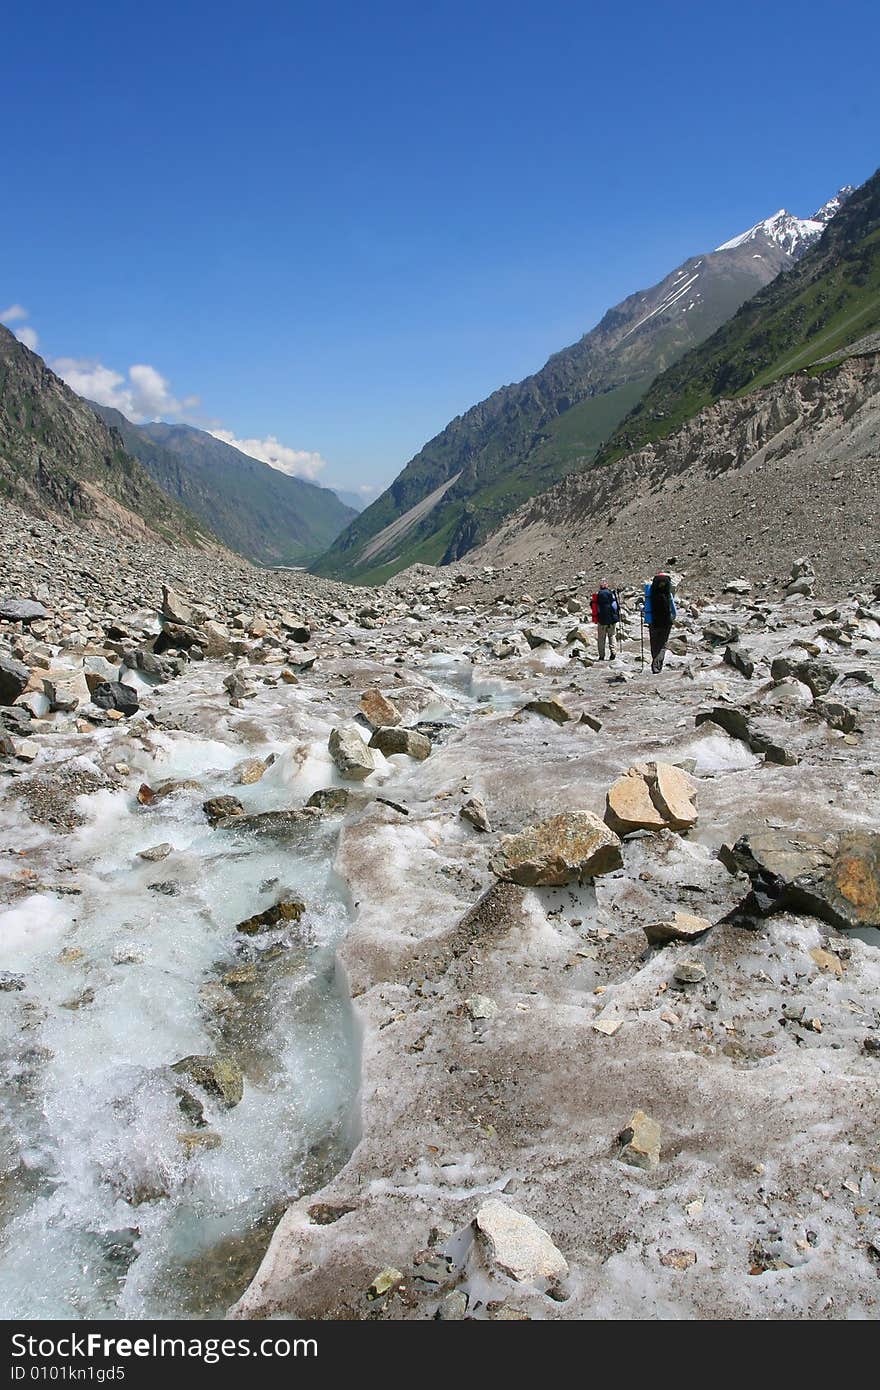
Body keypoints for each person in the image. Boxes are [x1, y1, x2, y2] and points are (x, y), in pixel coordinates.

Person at [643, 572, 676, 673]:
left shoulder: (651, 594)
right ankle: (658, 665)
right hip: (666, 622)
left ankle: (654, 662)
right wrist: (673, 618)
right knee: (662, 644)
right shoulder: (668, 594)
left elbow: (646, 607)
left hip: (653, 622)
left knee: (654, 643)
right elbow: (674, 610)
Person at [591, 579, 621, 660]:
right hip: (611, 620)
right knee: (612, 636)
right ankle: (613, 652)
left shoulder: (597, 595)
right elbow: (616, 607)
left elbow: (593, 607)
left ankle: (601, 656)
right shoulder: (611, 594)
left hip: (601, 620)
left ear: (600, 587)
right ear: (607, 586)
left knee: (601, 639)